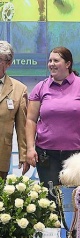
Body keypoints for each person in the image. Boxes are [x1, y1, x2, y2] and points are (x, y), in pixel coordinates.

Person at [26, 46, 80, 188]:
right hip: (46, 154)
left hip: (77, 154)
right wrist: (30, 149)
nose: (51, 64)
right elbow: (31, 120)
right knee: (50, 199)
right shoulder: (40, 87)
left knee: (79, 198)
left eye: (56, 60)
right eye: (50, 60)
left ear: (68, 64)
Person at [0, 41, 29, 180]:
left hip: (1, 154)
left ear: (8, 63)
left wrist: (24, 155)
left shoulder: (19, 89)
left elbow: (22, 126)